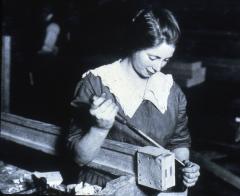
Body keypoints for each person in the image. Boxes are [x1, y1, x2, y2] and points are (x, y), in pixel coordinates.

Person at [66, 8, 200, 192]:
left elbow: (179, 142)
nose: (157, 67)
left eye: (166, 60)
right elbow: (79, 158)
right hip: (104, 188)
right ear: (134, 44)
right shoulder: (97, 84)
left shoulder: (170, 91)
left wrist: (185, 167)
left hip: (157, 188)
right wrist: (99, 128)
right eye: (153, 57)